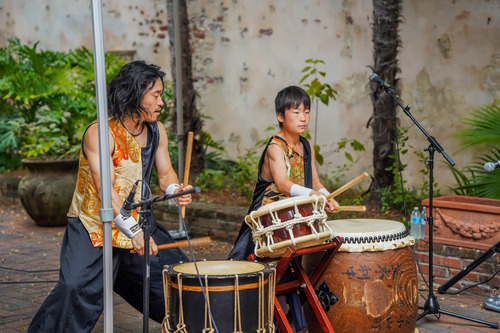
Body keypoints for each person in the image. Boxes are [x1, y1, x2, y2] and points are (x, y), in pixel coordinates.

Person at [28, 60, 192, 332]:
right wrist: (134, 231)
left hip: (140, 219)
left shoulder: (157, 130)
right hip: (94, 224)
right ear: (135, 94)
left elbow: (165, 176)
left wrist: (176, 191)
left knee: (178, 282)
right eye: (155, 95)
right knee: (75, 288)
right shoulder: (100, 133)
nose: (161, 102)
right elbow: (107, 191)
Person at [228, 85, 339, 261]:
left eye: (307, 112)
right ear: (280, 116)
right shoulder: (275, 147)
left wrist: (327, 196)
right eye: (296, 112)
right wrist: (313, 195)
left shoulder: (307, 145)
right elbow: (282, 184)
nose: (303, 118)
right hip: (268, 217)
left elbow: (316, 182)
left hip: (295, 214)